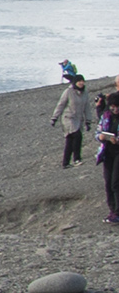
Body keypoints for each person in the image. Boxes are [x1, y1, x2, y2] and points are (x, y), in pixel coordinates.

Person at [52, 77, 93, 168]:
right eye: (79, 81)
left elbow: (87, 107)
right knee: (77, 135)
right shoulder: (68, 91)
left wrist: (88, 121)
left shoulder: (85, 93)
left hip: (79, 119)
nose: (81, 83)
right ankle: (77, 159)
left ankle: (65, 163)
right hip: (68, 118)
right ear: (75, 82)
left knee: (70, 140)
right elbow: (61, 104)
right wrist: (54, 117)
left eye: (82, 81)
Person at [97, 93, 119, 224]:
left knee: (116, 182)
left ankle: (118, 211)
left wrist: (116, 140)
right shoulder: (106, 117)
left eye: (117, 107)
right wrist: (100, 137)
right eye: (113, 107)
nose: (115, 109)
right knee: (108, 182)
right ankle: (112, 211)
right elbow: (98, 131)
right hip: (107, 152)